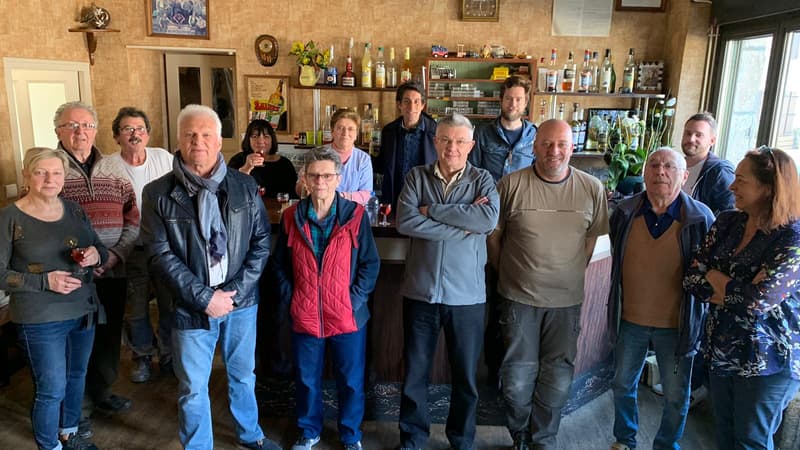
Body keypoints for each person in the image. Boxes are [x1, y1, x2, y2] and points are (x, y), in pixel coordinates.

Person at [140, 104, 280, 450]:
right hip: (190, 306)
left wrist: (233, 292)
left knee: (243, 377)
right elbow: (159, 255)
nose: (197, 141)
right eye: (190, 134)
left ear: (219, 141)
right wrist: (205, 298)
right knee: (192, 388)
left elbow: (261, 242)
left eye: (205, 135)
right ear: (178, 139)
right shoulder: (157, 193)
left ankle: (250, 436)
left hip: (241, 303)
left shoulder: (245, 186)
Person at [487, 119, 609, 450]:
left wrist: (565, 277)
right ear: (534, 146)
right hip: (518, 301)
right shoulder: (510, 185)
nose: (554, 151)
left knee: (556, 379)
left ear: (572, 148)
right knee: (516, 379)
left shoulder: (591, 189)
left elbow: (589, 243)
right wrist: (512, 275)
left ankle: (543, 440)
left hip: (566, 305)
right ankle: (520, 436)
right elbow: (494, 239)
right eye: (546, 144)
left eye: (561, 145)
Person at [684, 146, 800, 450]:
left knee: (751, 441)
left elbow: (759, 301)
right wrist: (740, 285)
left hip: (769, 362)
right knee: (722, 433)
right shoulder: (727, 222)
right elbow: (692, 277)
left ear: (769, 187)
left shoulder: (793, 237)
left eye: (741, 180)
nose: (731, 186)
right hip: (720, 350)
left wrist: (717, 277)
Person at [395, 113, 499, 450]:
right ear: (435, 142)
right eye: (445, 140)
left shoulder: (484, 180)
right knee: (415, 374)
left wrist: (433, 210)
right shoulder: (416, 176)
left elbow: (486, 219)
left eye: (459, 141)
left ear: (470, 145)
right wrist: (462, 222)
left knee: (466, 377)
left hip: (467, 296)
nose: (451, 147)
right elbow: (406, 221)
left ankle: (462, 439)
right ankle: (413, 438)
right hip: (421, 292)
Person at [607, 147, 714, 450]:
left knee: (677, 395)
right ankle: (625, 439)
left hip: (676, 325)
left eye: (669, 166)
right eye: (653, 165)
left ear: (684, 176)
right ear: (644, 173)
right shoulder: (625, 212)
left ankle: (666, 445)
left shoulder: (700, 218)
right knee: (622, 385)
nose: (660, 172)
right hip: (630, 319)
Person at [0, 147, 107, 450]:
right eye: (41, 172)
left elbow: (99, 248)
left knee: (76, 376)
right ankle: (50, 445)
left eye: (56, 172)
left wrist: (95, 254)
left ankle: (68, 432)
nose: (50, 179)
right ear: (27, 175)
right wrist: (44, 281)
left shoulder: (74, 210)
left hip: (83, 309)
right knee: (51, 389)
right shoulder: (9, 217)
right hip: (40, 318)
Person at [273, 147, 380, 450]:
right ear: (305, 179)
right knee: (307, 380)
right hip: (305, 313)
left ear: (338, 179)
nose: (320, 181)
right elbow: (279, 264)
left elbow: (370, 264)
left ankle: (350, 435)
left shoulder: (355, 215)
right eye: (314, 175)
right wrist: (293, 297)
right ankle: (309, 432)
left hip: (347, 315)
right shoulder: (292, 216)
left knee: (350, 381)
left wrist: (354, 300)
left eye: (327, 175)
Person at [54, 101, 139, 435]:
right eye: (72, 125)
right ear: (58, 131)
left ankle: (102, 392)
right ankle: (78, 409)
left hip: (113, 269)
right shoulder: (51, 166)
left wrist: (114, 255)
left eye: (87, 125)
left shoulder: (113, 168)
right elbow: (43, 220)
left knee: (108, 335)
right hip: (72, 277)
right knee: (74, 343)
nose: (80, 132)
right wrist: (82, 260)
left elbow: (133, 216)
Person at [108, 106, 174, 383]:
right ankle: (142, 356)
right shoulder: (108, 166)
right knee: (135, 308)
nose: (135, 134)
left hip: (164, 247)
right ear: (117, 136)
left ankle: (170, 355)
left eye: (140, 129)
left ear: (148, 133)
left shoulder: (164, 158)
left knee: (171, 304)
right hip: (130, 249)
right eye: (128, 129)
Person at [378, 81, 437, 207]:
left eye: (416, 102)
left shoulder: (436, 132)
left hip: (426, 201)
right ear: (399, 105)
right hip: (395, 199)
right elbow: (382, 165)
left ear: (422, 105)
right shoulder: (389, 131)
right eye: (406, 101)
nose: (411, 107)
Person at [469, 74, 537, 182]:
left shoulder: (534, 135)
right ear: (501, 101)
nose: (513, 104)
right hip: (490, 196)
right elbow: (472, 172)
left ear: (525, 103)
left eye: (518, 99)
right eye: (508, 98)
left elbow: (537, 175)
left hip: (521, 197)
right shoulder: (482, 133)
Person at [297, 109, 372, 204]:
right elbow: (300, 185)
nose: (345, 133)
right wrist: (304, 188)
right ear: (332, 132)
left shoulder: (363, 159)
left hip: (350, 212)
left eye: (350, 129)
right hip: (319, 211)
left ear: (356, 134)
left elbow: (366, 194)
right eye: (340, 128)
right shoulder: (318, 153)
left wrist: (338, 197)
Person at [681, 112, 735, 215]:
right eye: (688, 133)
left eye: (698, 135)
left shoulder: (720, 172)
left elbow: (732, 214)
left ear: (712, 141)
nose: (691, 139)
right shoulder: (674, 165)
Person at [229, 119, 298, 199]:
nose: (260, 141)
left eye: (266, 136)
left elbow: (293, 196)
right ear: (248, 139)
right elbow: (229, 189)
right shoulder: (238, 160)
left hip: (278, 209)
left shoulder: (285, 164)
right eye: (255, 136)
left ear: (272, 140)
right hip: (246, 209)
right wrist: (245, 168)